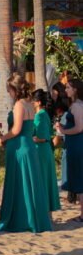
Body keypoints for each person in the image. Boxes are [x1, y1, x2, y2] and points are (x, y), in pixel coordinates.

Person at [0, 74, 52, 234]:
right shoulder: (30, 104)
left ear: (14, 89)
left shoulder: (20, 105)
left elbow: (16, 129)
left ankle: (21, 220)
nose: (8, 93)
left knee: (20, 183)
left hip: (19, 147)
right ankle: (34, 218)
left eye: (9, 90)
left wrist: (2, 139)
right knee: (30, 183)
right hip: (29, 145)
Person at [32, 88, 61, 218]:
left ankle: (46, 215)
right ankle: (47, 215)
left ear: (38, 102)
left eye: (33, 101)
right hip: (45, 151)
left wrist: (32, 138)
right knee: (45, 180)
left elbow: (42, 137)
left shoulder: (40, 115)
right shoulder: (43, 114)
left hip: (41, 151)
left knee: (42, 180)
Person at [59, 81, 83, 221]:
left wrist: (63, 130)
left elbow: (80, 127)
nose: (66, 90)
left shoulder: (77, 106)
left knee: (80, 179)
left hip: (77, 145)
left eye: (68, 87)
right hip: (75, 144)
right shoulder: (76, 105)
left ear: (75, 90)